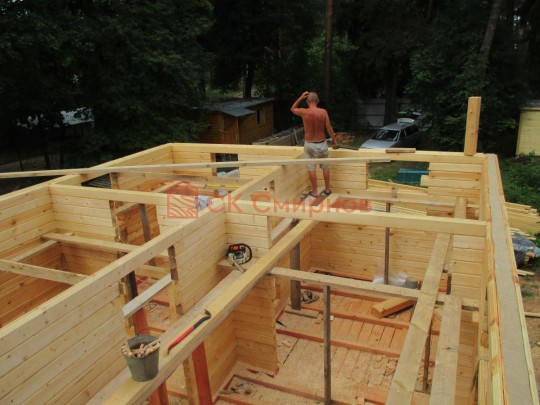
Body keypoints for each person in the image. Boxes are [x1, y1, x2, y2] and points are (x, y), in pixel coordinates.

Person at [291, 91, 338, 197]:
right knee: (325, 167)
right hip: (322, 143)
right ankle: (327, 190)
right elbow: (329, 127)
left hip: (309, 144)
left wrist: (300, 97)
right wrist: (334, 140)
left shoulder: (304, 112)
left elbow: (292, 109)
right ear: (317, 101)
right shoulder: (323, 112)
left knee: (311, 168)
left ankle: (315, 192)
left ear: (307, 101)